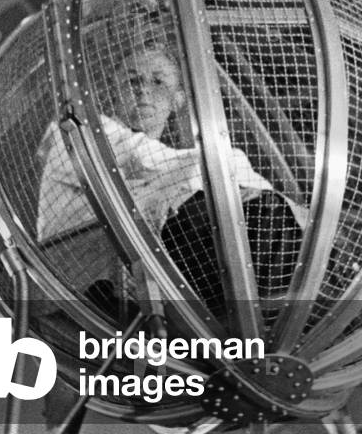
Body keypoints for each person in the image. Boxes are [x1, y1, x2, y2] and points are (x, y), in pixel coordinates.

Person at [36, 39, 306, 306]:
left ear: (177, 100)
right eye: (132, 81)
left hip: (151, 265)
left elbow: (210, 170)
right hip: (86, 275)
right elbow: (147, 161)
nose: (143, 91)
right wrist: (214, 169)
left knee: (266, 216)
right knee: (255, 214)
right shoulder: (75, 131)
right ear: (114, 90)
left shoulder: (176, 161)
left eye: (158, 82)